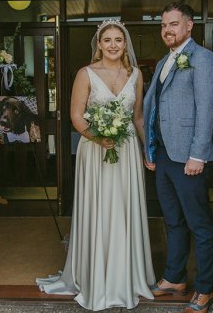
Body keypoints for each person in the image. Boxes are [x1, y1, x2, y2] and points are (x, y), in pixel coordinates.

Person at [36, 19, 155, 310]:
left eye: (118, 40)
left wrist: (147, 149)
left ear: (125, 44)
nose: (113, 45)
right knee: (99, 208)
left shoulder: (136, 74)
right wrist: (98, 137)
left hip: (125, 150)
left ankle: (126, 274)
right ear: (99, 44)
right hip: (96, 150)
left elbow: (138, 117)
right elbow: (76, 116)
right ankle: (94, 275)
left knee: (124, 208)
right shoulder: (85, 73)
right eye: (107, 40)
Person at [143, 3, 213, 313]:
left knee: (199, 225)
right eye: (163, 25)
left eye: (174, 24)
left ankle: (204, 289)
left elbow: (205, 109)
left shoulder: (203, 59)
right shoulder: (166, 60)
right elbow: (155, 110)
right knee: (173, 221)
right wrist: (150, 151)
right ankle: (175, 278)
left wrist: (197, 155)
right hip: (163, 155)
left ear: (189, 26)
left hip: (189, 157)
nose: (167, 30)